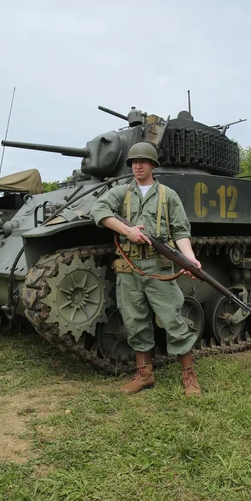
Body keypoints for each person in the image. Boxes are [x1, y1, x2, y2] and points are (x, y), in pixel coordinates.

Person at [90, 141, 202, 397]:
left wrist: (190, 259)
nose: (137, 166)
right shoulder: (122, 192)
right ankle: (144, 374)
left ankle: (189, 376)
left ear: (152, 164)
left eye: (142, 161)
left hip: (159, 267)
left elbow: (182, 231)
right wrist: (127, 230)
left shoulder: (167, 195)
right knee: (135, 322)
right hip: (129, 269)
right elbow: (98, 209)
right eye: (133, 162)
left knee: (173, 319)